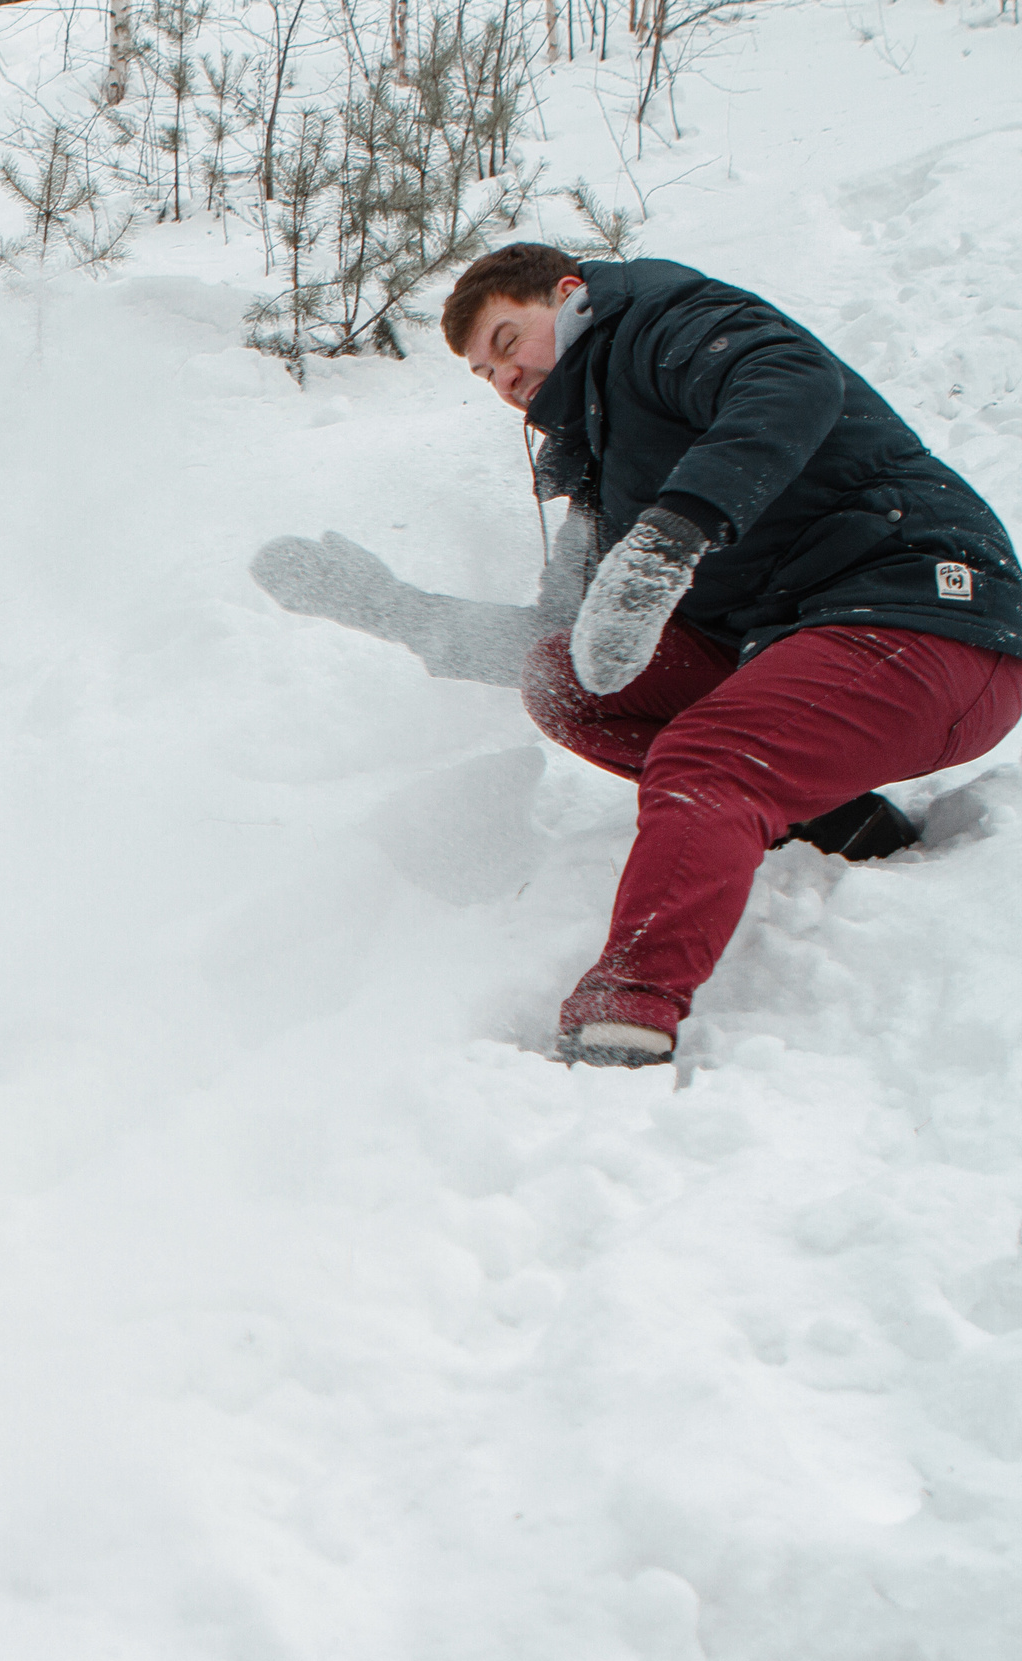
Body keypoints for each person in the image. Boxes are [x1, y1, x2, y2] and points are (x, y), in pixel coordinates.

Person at [432, 243, 1022, 1066]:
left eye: (506, 342)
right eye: (484, 374)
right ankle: (832, 816)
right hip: (800, 644)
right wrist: (403, 613)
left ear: (568, 297)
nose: (504, 380)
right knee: (568, 677)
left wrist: (670, 537)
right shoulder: (600, 458)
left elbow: (791, 381)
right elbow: (572, 628)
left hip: (930, 621)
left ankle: (628, 1011)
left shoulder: (662, 319)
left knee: (711, 757)